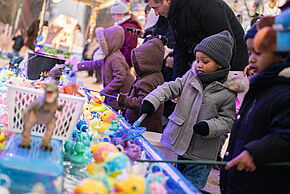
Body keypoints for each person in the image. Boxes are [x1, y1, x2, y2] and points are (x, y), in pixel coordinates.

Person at [140, 31, 245, 189]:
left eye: (205, 61)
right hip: (180, 145)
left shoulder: (227, 91)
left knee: (191, 187)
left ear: (220, 64)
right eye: (197, 60)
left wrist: (209, 127)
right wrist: (152, 100)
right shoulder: (191, 77)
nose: (199, 65)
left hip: (202, 154)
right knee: (175, 182)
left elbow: (227, 121)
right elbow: (170, 87)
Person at [220, 19, 290, 193]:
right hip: (240, 183)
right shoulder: (261, 87)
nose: (250, 59)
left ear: (280, 54)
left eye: (257, 53)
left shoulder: (284, 93)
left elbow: (285, 135)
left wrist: (255, 153)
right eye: (249, 52)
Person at [145, 0, 248, 80]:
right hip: (204, 64)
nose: (156, 13)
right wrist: (178, 82)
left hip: (232, 65)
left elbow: (226, 41)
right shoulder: (173, 13)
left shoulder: (205, 4)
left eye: (156, 8)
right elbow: (180, 47)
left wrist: (218, 77)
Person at [76, 26, 134, 110]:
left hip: (117, 98)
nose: (99, 45)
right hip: (111, 96)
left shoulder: (116, 58)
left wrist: (103, 92)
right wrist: (79, 66)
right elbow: (96, 64)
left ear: (110, 42)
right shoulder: (109, 56)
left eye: (101, 42)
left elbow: (120, 78)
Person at [117, 38, 165, 133]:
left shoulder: (148, 81)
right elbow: (137, 94)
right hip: (141, 125)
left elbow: (142, 103)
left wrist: (124, 100)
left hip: (144, 128)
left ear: (147, 62)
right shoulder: (150, 75)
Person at [110, 1, 142, 68]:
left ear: (120, 14)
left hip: (123, 63)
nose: (112, 17)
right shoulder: (124, 26)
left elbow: (130, 47)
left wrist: (123, 64)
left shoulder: (128, 27)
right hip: (120, 61)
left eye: (113, 14)